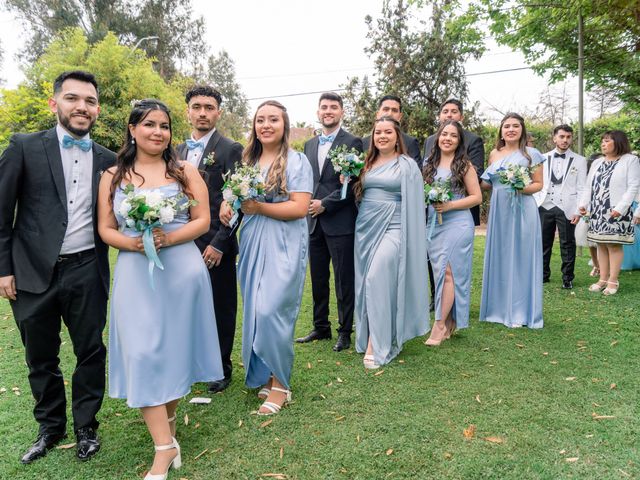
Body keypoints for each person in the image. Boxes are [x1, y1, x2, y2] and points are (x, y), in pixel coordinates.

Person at [97, 99, 223, 479]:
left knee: (171, 352)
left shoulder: (185, 171)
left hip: (181, 269)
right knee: (143, 352)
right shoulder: (113, 176)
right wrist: (131, 243)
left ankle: (166, 431)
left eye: (164, 126)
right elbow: (105, 229)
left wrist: (169, 239)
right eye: (149, 124)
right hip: (136, 272)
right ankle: (165, 447)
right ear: (132, 129)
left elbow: (203, 220)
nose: (157, 132)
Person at [0, 70, 115, 464]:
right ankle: (50, 428)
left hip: (87, 269)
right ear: (55, 104)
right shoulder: (23, 147)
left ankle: (87, 427)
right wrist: (3, 268)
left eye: (90, 101)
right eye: (72, 98)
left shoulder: (109, 160)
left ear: (97, 109)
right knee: (40, 356)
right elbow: (1, 213)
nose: (82, 107)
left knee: (90, 351)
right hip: (31, 272)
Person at [221, 100, 312, 415]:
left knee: (275, 310)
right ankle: (267, 373)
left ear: (284, 125)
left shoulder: (297, 161)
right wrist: (228, 205)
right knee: (258, 310)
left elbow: (299, 208)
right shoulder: (247, 161)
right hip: (252, 241)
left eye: (273, 119)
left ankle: (281, 384)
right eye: (261, 120)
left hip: (285, 242)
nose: (266, 125)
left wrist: (259, 208)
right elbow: (236, 199)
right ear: (254, 126)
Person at [176, 85, 243, 394]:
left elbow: (239, 199)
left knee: (221, 306)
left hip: (216, 241)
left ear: (218, 112)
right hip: (181, 243)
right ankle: (191, 362)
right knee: (186, 305)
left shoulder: (230, 149)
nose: (202, 112)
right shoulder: (176, 151)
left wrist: (220, 242)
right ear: (188, 110)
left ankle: (221, 367)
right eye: (197, 106)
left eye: (209, 107)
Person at [352, 116, 429, 368]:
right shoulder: (366, 163)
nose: (382, 136)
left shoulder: (407, 165)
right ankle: (373, 333)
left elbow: (417, 204)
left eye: (387, 132)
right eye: (377, 133)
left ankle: (378, 342)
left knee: (376, 278)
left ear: (398, 137)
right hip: (366, 227)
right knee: (367, 282)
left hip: (395, 226)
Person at [296, 92, 362, 352]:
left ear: (342, 112)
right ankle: (320, 326)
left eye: (333, 107)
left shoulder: (353, 142)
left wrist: (325, 204)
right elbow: (308, 180)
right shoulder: (309, 145)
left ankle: (345, 331)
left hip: (340, 220)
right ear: (318, 112)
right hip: (312, 221)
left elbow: (354, 183)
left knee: (344, 279)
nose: (328, 111)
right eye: (324, 107)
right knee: (318, 277)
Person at [480, 113, 545, 329]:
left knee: (521, 257)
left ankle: (519, 311)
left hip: (523, 209)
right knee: (501, 255)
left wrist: (519, 186)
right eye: (506, 126)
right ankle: (497, 309)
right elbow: (487, 183)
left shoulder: (532, 154)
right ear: (501, 130)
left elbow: (538, 185)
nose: (510, 129)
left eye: (515, 126)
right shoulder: (494, 154)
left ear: (522, 129)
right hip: (499, 211)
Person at [422, 120, 481, 346]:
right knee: (440, 274)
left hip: (458, 223)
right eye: (444, 134)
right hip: (434, 224)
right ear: (438, 137)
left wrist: (450, 206)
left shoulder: (464, 165)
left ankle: (438, 325)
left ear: (459, 141)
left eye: (453, 136)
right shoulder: (429, 163)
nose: (447, 138)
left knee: (449, 272)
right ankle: (448, 323)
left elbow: (476, 197)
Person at [578, 130, 640, 295]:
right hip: (597, 210)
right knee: (601, 244)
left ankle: (613, 281)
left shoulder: (631, 160)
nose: (603, 144)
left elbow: (634, 186)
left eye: (607, 141)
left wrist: (620, 208)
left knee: (613, 244)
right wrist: (583, 204)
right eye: (602, 141)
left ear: (618, 142)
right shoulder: (598, 162)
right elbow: (588, 186)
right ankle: (602, 279)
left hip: (617, 209)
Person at [533, 125, 587, 289]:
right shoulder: (541, 157)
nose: (565, 140)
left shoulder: (580, 160)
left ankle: (568, 278)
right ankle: (542, 275)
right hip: (544, 205)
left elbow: (582, 187)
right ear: (554, 138)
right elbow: (536, 182)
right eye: (562, 136)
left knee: (567, 242)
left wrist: (579, 210)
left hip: (567, 206)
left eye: (568, 137)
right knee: (543, 242)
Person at [422, 98, 485, 225]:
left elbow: (476, 179)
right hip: (432, 214)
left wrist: (446, 195)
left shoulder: (472, 142)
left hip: (459, 212)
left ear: (461, 116)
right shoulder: (430, 141)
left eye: (454, 111)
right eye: (445, 111)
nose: (449, 114)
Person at [362, 94, 422, 165]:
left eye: (394, 110)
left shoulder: (410, 142)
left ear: (400, 116)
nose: (390, 113)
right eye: (386, 109)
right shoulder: (363, 142)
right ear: (377, 114)